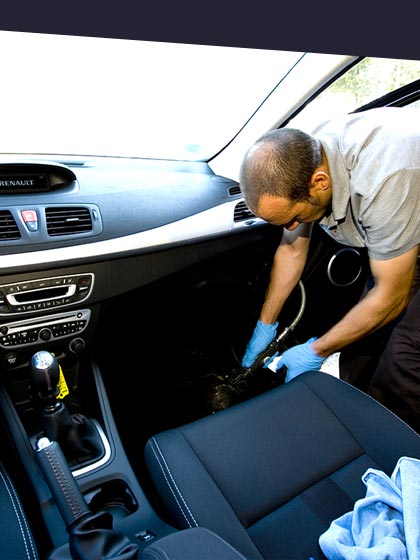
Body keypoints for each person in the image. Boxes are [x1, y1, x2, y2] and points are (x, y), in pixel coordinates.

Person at [239, 106, 420, 430]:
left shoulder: (385, 176)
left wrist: (316, 349)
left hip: (407, 219)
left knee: (403, 361)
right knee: (361, 345)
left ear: (319, 182)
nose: (293, 226)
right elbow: (293, 248)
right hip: (402, 240)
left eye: (295, 217)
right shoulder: (303, 156)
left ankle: (392, 451)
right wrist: (264, 326)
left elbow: (391, 296)